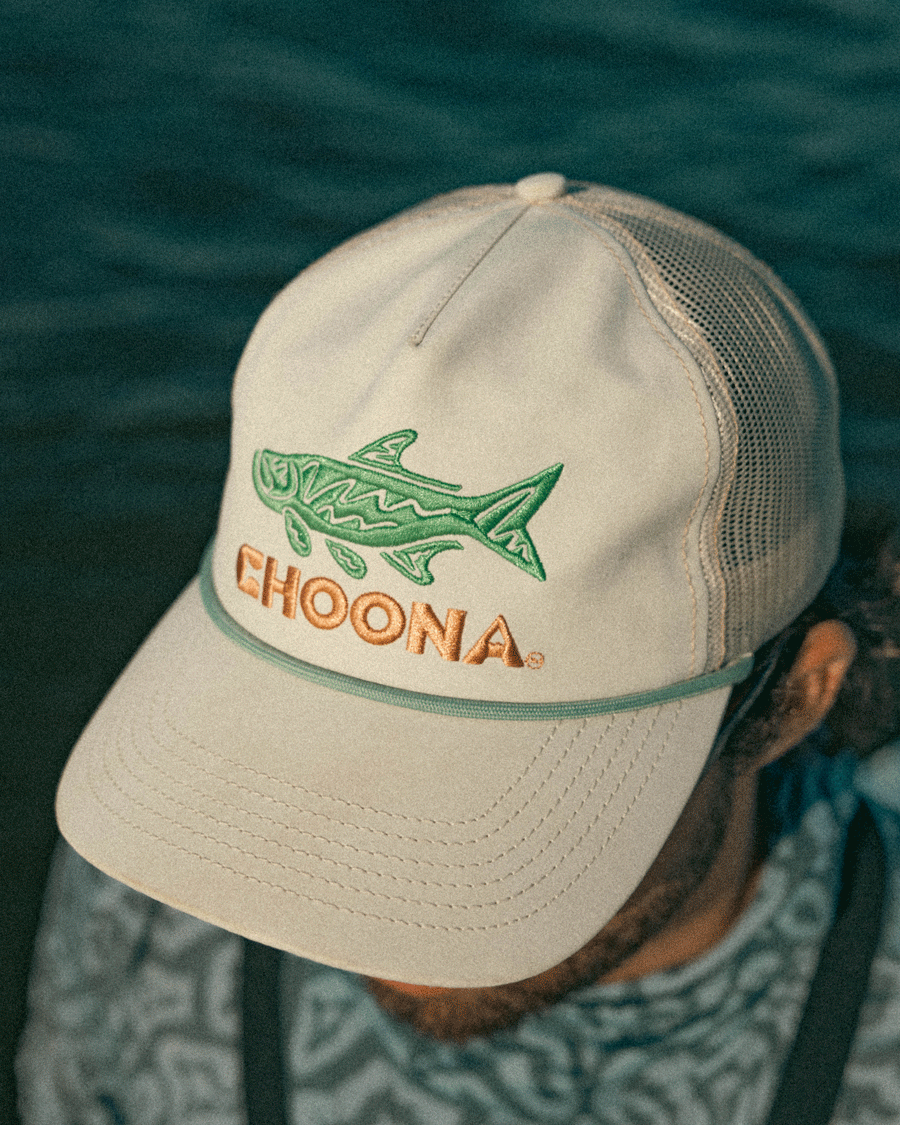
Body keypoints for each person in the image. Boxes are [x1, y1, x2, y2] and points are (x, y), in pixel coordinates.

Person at [16, 173, 900, 1123]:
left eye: (482, 777)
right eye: (285, 736)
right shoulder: (155, 876)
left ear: (796, 697)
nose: (351, 878)